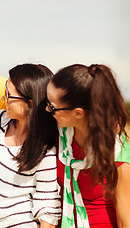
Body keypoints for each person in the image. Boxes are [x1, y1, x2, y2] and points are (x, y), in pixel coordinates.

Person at [0, 64, 61, 227]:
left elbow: (47, 210)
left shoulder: (45, 151)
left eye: (8, 95)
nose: (2, 98)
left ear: (30, 104)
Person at [46, 64, 130, 227]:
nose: (47, 110)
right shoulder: (59, 135)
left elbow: (125, 220)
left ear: (78, 113)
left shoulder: (118, 151)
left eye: (52, 107)